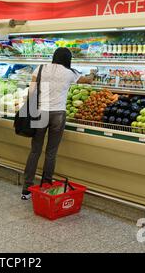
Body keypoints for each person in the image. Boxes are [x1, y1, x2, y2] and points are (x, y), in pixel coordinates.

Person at [21, 47, 95, 200]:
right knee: (51, 152)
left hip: (40, 112)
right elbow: (88, 81)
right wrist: (93, 72)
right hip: (58, 114)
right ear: (68, 59)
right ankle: (46, 186)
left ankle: (26, 188)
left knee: (35, 151)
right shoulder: (70, 73)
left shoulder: (40, 68)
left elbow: (31, 91)